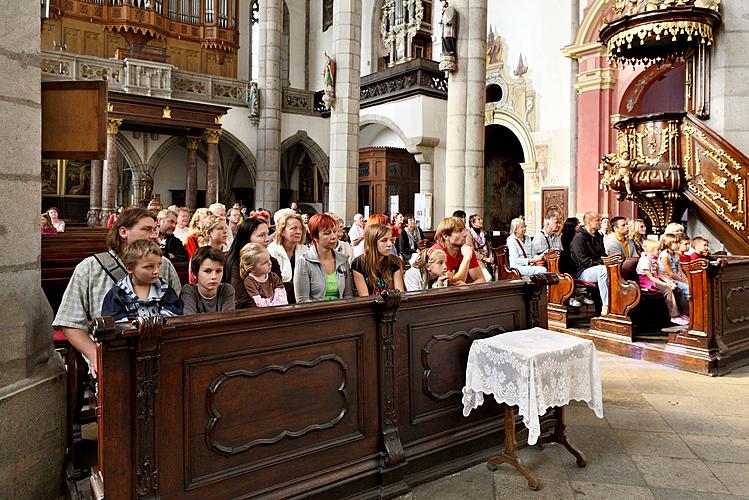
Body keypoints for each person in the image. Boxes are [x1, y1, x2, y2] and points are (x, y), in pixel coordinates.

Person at [53, 207, 182, 378]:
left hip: (159, 351)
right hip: (111, 352)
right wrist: (95, 356)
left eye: (155, 230)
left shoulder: (163, 265)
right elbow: (70, 323)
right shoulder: (90, 268)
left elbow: (178, 313)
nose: (154, 236)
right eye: (146, 229)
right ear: (123, 232)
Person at [101, 240, 182, 322]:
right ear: (129, 268)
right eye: (149, 267)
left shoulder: (164, 290)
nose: (156, 271)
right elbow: (114, 322)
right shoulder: (118, 294)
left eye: (159, 265)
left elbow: (173, 315)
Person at [223, 217, 282, 309]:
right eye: (261, 235)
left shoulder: (272, 261)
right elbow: (241, 299)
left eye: (267, 234)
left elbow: (279, 288)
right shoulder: (236, 262)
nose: (267, 239)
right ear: (247, 239)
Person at [294, 213, 353, 302]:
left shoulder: (343, 260)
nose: (333, 237)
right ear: (315, 237)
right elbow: (303, 300)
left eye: (334, 231)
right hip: (316, 314)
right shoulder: (304, 262)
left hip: (340, 312)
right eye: (327, 233)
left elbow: (348, 295)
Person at [636, 239, 689, 326]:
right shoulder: (644, 260)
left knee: (677, 289)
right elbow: (650, 277)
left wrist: (670, 282)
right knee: (668, 289)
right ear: (650, 250)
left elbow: (660, 274)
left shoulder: (654, 259)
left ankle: (685, 313)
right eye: (658, 249)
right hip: (647, 282)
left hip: (656, 279)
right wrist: (666, 284)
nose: (660, 251)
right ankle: (674, 316)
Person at [570, 211, 609, 314]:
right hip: (582, 272)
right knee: (603, 270)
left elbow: (603, 254)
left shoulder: (597, 236)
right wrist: (602, 263)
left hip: (595, 267)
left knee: (615, 268)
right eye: (598, 220)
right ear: (589, 222)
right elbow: (583, 261)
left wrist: (609, 261)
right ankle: (607, 305)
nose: (601, 222)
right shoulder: (579, 238)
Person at [351, 223, 405, 296]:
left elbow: (399, 293)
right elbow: (364, 297)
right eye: (384, 240)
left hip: (391, 304)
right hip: (369, 305)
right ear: (372, 242)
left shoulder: (394, 261)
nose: (390, 244)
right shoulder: (359, 263)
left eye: (391, 240)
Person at [180, 246, 235, 314]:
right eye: (207, 271)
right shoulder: (189, 291)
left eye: (218, 271)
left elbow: (228, 320)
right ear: (194, 274)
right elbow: (190, 321)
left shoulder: (226, 289)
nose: (214, 276)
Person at [268, 212, 308, 304]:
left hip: (301, 298)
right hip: (277, 298)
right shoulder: (272, 250)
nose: (298, 232)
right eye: (293, 228)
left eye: (300, 228)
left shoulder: (306, 251)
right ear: (282, 231)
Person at [432, 216, 486, 285]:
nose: (465, 234)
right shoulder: (437, 252)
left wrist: (467, 287)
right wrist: (466, 258)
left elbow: (481, 279)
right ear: (446, 236)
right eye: (460, 231)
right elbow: (452, 284)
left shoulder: (466, 249)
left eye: (464, 230)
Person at [240, 243, 288, 307]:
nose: (270, 263)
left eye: (269, 259)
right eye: (265, 262)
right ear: (252, 269)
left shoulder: (273, 276)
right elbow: (259, 302)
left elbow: (282, 297)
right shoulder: (249, 281)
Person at [560, 217, 593, 308]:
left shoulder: (580, 235)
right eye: (577, 223)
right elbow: (567, 250)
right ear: (572, 225)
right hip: (567, 260)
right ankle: (571, 296)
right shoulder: (565, 236)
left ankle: (582, 295)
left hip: (576, 258)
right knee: (572, 267)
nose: (580, 225)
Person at [659, 233, 690, 300]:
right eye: (676, 243)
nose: (678, 245)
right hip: (667, 279)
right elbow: (670, 273)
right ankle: (689, 308)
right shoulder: (665, 256)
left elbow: (680, 270)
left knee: (690, 286)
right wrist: (682, 281)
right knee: (687, 288)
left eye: (678, 242)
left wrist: (687, 281)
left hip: (676, 277)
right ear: (668, 244)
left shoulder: (676, 255)